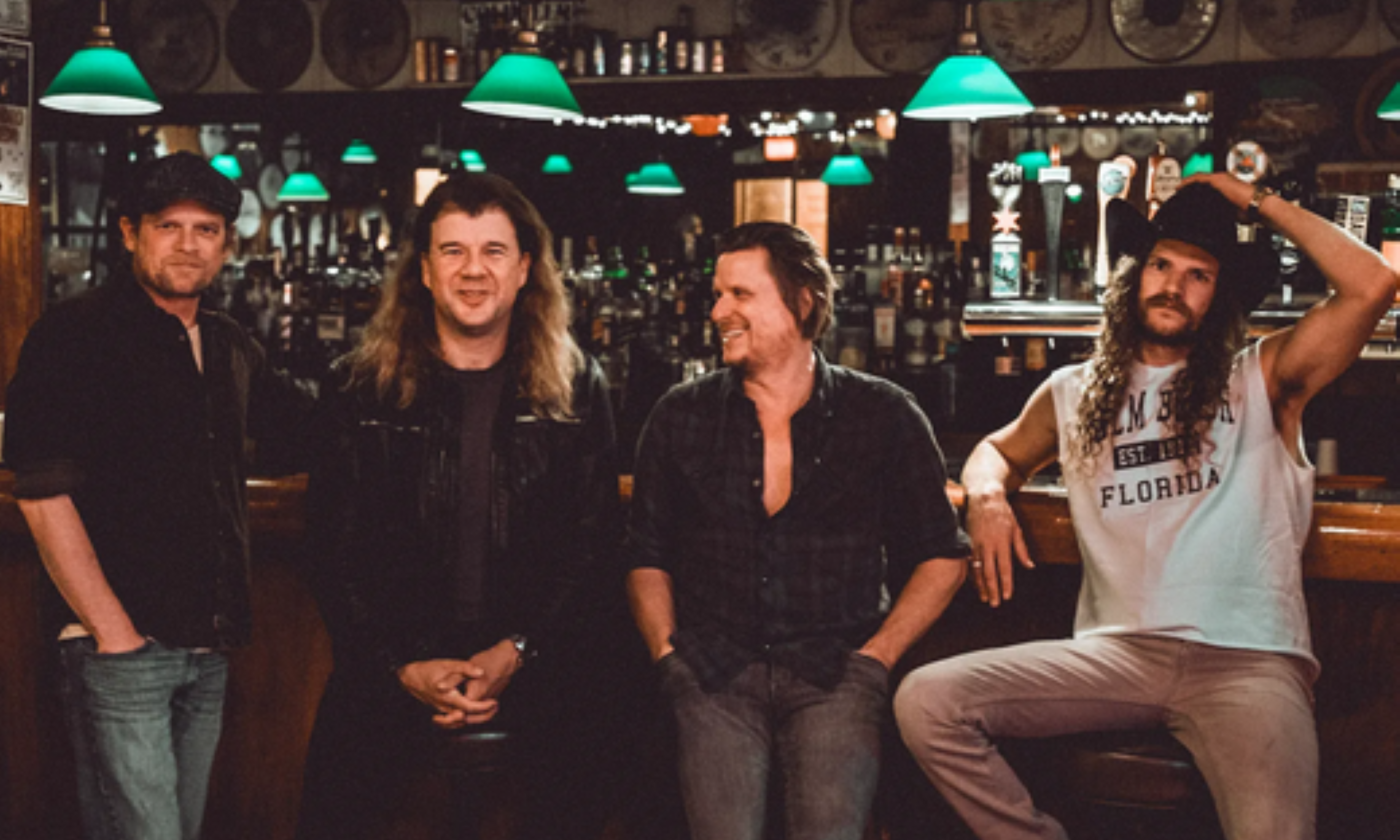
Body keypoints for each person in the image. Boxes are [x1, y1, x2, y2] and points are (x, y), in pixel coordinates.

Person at [894, 175, 1398, 840]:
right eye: (1160, 264)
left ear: (1218, 297)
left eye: (1198, 275)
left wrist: (1257, 200)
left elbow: (1373, 285)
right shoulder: (1072, 391)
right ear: (1134, 274)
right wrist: (987, 495)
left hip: (1246, 660)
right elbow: (999, 451)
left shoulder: (1261, 377)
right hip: (1115, 656)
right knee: (926, 701)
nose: (1172, 285)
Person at [296, 171, 626, 840]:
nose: (473, 271)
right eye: (453, 251)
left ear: (525, 267)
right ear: (423, 269)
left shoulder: (578, 385)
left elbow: (593, 546)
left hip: (539, 663)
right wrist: (404, 664)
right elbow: (334, 549)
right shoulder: (359, 388)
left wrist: (518, 649)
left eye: (494, 251)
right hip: (389, 661)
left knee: (593, 781)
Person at [2, 151, 313, 840]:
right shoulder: (73, 335)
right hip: (120, 643)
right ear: (129, 232)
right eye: (168, 226)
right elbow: (41, 491)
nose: (187, 245)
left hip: (207, 644)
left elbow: (310, 431)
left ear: (227, 246)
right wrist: (113, 633)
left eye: (206, 230)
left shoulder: (228, 345)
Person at [627, 221, 971, 840]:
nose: (718, 311)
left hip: (835, 673)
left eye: (740, 294)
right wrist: (668, 658)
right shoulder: (681, 414)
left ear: (802, 301)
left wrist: (876, 661)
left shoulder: (884, 414)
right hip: (713, 674)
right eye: (717, 294)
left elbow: (942, 555)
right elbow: (645, 552)